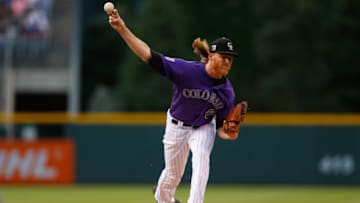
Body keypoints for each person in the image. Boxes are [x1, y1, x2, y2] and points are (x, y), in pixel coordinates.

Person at [107, 8, 247, 203]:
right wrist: (123, 29)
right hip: (176, 126)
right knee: (172, 176)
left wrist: (230, 132)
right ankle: (164, 198)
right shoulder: (186, 71)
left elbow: (224, 128)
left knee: (201, 161)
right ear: (212, 56)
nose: (227, 62)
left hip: (203, 127)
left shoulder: (227, 92)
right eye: (224, 56)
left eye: (230, 59)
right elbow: (148, 55)